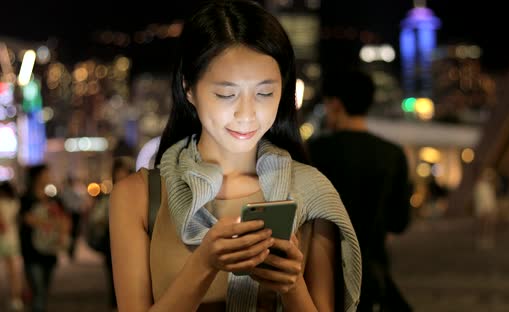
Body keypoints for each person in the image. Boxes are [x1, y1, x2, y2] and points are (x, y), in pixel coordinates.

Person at [108, 1, 362, 311]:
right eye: (226, 94)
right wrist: (205, 264)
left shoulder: (311, 192)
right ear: (188, 87)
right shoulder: (137, 197)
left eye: (265, 93)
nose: (246, 114)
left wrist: (291, 284)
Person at [307, 68, 413, 311]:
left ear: (335, 104)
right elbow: (399, 222)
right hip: (371, 274)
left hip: (323, 273)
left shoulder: (315, 150)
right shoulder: (393, 154)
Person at [18, 164, 71, 312]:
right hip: (31, 250)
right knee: (38, 288)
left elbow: (65, 218)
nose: (49, 176)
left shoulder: (54, 198)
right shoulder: (27, 198)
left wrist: (62, 232)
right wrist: (49, 223)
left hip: (50, 249)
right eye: (46, 174)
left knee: (44, 288)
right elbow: (26, 218)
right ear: (37, 176)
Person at [87, 156, 135, 310]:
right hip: (113, 245)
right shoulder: (109, 198)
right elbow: (96, 218)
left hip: (133, 244)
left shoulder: (138, 195)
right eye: (118, 173)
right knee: (115, 278)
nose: (121, 177)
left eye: (124, 173)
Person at [0, 181, 24, 311]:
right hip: (13, 237)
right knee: (14, 271)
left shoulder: (1, 203)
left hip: (3, 238)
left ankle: (15, 297)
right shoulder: (16, 203)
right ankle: (16, 298)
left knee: (11, 271)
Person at [473, 167, 498, 249]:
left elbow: (490, 197)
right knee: (483, 223)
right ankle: (482, 239)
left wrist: (491, 207)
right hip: (483, 207)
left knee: (488, 223)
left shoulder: (488, 186)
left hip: (488, 207)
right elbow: (479, 198)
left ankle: (487, 239)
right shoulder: (480, 186)